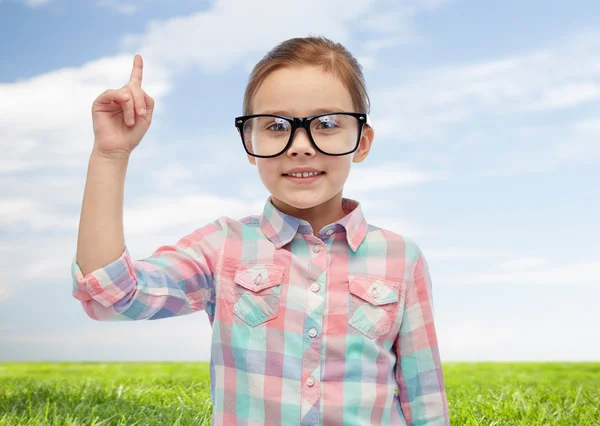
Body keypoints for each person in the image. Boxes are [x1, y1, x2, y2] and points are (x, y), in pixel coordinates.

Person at [71, 36, 450, 426]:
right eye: (275, 125)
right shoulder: (223, 248)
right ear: (249, 142)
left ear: (362, 141)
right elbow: (112, 295)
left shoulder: (402, 258)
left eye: (327, 123)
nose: (300, 146)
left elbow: (426, 402)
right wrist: (110, 155)